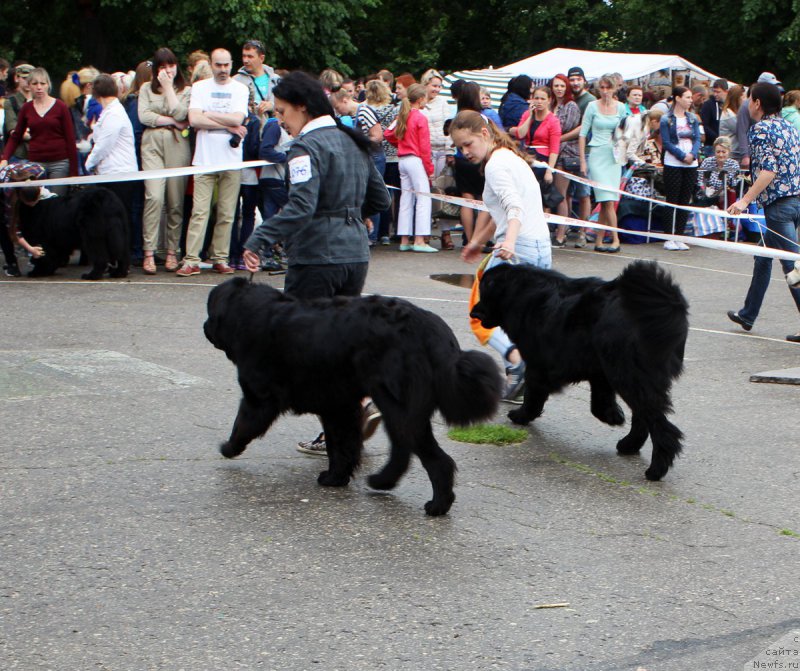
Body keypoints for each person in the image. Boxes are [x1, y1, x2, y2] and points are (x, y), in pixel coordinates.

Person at [240, 71, 391, 455]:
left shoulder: (304, 149)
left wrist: (259, 237)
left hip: (317, 257)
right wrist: (352, 214)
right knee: (338, 343)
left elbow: (301, 207)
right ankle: (351, 416)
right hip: (354, 255)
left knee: (307, 348)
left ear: (302, 107)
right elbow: (381, 200)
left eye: (282, 112)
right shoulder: (351, 139)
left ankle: (352, 413)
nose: (279, 120)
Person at [450, 110, 552, 402]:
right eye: (459, 147)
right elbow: (502, 214)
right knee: (526, 321)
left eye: (468, 144)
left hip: (518, 251)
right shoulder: (511, 157)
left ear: (484, 134)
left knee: (480, 315)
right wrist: (477, 241)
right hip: (540, 247)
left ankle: (516, 364)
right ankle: (529, 375)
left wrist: (508, 242)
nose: (465, 152)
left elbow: (513, 208)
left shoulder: (495, 165)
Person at [726, 82, 800, 342]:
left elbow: (768, 171)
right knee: (763, 255)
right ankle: (748, 314)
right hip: (795, 200)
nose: (747, 103)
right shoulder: (788, 126)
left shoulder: (760, 130)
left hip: (779, 206)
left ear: (757, 103)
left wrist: (744, 201)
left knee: (793, 266)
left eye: (749, 99)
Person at [176, 48, 249, 277]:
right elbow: (194, 119)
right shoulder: (200, 87)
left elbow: (238, 118)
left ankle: (220, 257)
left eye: (226, 65)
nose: (223, 69)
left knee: (227, 212)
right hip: (205, 159)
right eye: (218, 65)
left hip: (231, 160)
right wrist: (229, 126)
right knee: (200, 211)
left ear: (231, 64)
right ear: (211, 64)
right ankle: (191, 259)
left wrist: (208, 115)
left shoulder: (240, 88)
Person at [138, 48, 191, 275]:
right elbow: (144, 116)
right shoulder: (145, 89)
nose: (168, 70)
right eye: (163, 67)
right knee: (154, 197)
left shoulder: (186, 90)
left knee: (175, 200)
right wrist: (170, 121)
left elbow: (182, 114)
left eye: (171, 65)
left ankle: (172, 250)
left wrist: (169, 89)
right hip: (152, 144)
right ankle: (149, 251)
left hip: (177, 144)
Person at [1, 67, 78, 196]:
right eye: (35, 84)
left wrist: (74, 172)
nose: (39, 87)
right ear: (29, 86)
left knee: (57, 199)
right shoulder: (26, 108)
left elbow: (70, 138)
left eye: (42, 83)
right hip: (36, 162)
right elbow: (16, 136)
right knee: (36, 199)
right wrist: (5, 158)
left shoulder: (61, 106)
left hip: (59, 162)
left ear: (48, 85)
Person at [578, 73, 629, 253]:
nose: (605, 91)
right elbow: (583, 134)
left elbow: (625, 133)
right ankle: (615, 238)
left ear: (614, 89)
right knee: (606, 199)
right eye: (602, 87)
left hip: (613, 156)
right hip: (597, 154)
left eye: (608, 87)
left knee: (608, 200)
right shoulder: (592, 106)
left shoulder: (621, 107)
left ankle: (600, 240)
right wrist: (583, 161)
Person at [384, 83, 437, 253]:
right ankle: (420, 240)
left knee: (406, 199)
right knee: (423, 198)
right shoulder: (420, 117)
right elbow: (425, 147)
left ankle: (404, 239)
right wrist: (430, 170)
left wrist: (400, 144)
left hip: (402, 159)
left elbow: (387, 133)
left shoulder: (402, 115)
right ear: (420, 99)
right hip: (416, 160)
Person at [84, 74, 138, 214]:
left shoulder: (114, 113)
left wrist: (88, 164)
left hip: (119, 175)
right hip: (112, 174)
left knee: (118, 217)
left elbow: (103, 145)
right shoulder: (110, 111)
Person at [659, 86, 701, 250]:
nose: (690, 100)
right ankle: (669, 236)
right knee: (672, 199)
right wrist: (682, 156)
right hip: (673, 163)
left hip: (691, 163)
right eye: (687, 97)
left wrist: (692, 154)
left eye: (691, 97)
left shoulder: (693, 118)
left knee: (685, 199)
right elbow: (667, 142)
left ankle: (680, 235)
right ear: (677, 98)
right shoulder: (666, 119)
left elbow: (697, 139)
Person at [550, 74, 581, 247]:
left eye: (562, 85)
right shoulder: (551, 104)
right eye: (556, 86)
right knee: (551, 194)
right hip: (550, 153)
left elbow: (563, 128)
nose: (559, 89)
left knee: (560, 195)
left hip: (565, 154)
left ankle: (561, 234)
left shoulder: (571, 106)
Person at [696, 136, 739, 208]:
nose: (721, 155)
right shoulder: (707, 161)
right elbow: (700, 180)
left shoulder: (734, 164)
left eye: (724, 152)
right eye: (718, 152)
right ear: (714, 151)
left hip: (725, 195)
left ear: (729, 151)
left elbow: (733, 184)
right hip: (707, 194)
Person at [2, 64, 34, 162]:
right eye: (24, 78)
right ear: (17, 78)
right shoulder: (11, 102)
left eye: (31, 79)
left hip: (41, 153)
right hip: (20, 154)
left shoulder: (41, 101)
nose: (28, 82)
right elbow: (15, 132)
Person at [700, 79, 728, 152]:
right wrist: (717, 137)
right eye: (714, 91)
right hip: (710, 145)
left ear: (726, 91)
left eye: (718, 92)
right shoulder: (708, 105)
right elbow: (704, 125)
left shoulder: (729, 105)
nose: (715, 94)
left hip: (726, 146)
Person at [719, 84, 744, 160]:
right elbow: (742, 131)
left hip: (735, 153)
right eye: (743, 96)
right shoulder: (728, 115)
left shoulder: (734, 113)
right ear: (738, 98)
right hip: (732, 154)